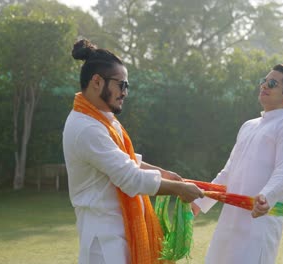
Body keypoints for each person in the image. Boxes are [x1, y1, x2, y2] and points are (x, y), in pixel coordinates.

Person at [62, 39, 204, 264]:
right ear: (97, 82)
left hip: (118, 234)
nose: (125, 92)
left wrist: (166, 174)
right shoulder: (87, 127)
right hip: (104, 242)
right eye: (121, 85)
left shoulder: (102, 121)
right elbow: (130, 178)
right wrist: (179, 189)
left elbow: (127, 161)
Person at [193, 64, 283, 264]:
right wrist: (200, 202)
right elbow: (228, 173)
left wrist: (266, 197)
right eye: (263, 81)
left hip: (259, 223)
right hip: (229, 221)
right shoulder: (248, 126)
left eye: (272, 83)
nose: (264, 86)